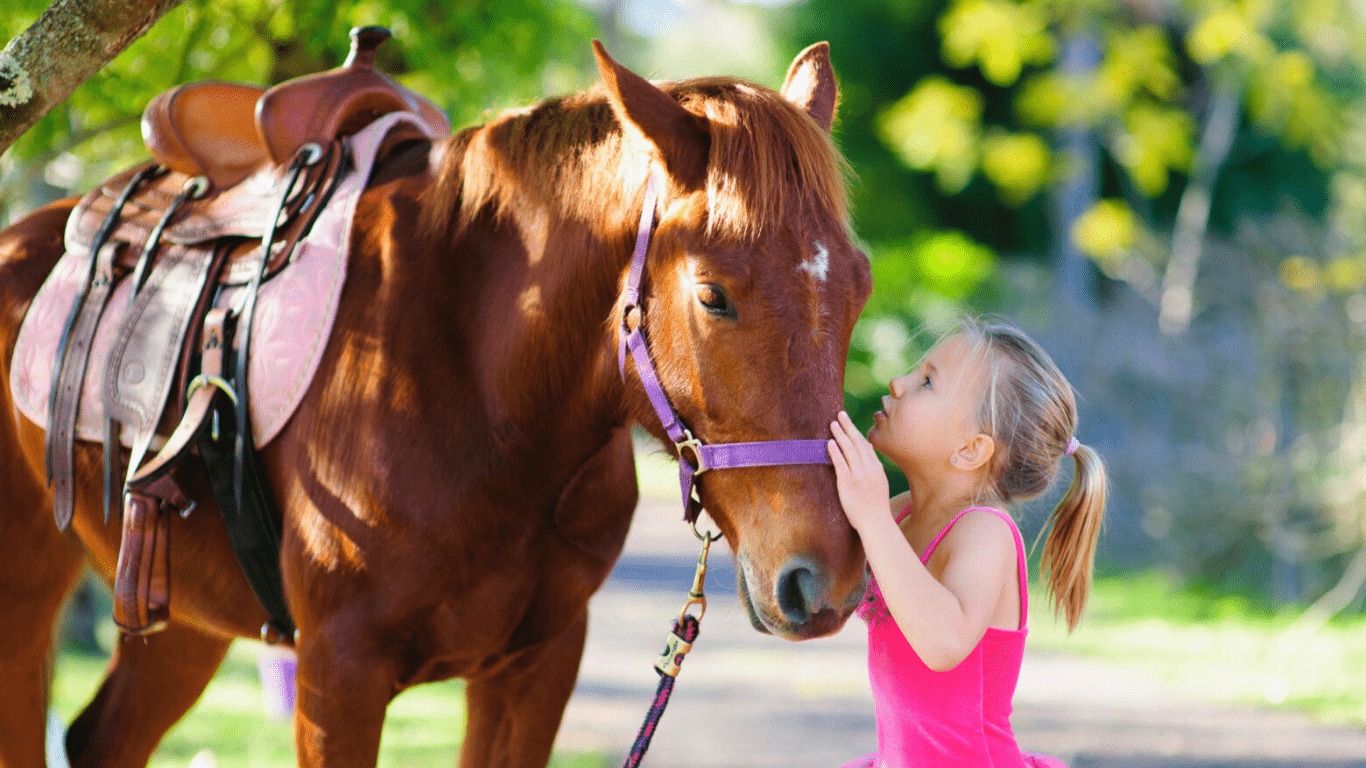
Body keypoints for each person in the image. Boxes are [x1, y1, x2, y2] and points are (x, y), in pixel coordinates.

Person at [826, 317, 1107, 768]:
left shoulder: (984, 530)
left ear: (971, 450)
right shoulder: (898, 514)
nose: (898, 382)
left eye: (927, 382)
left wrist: (871, 517)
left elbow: (942, 643)